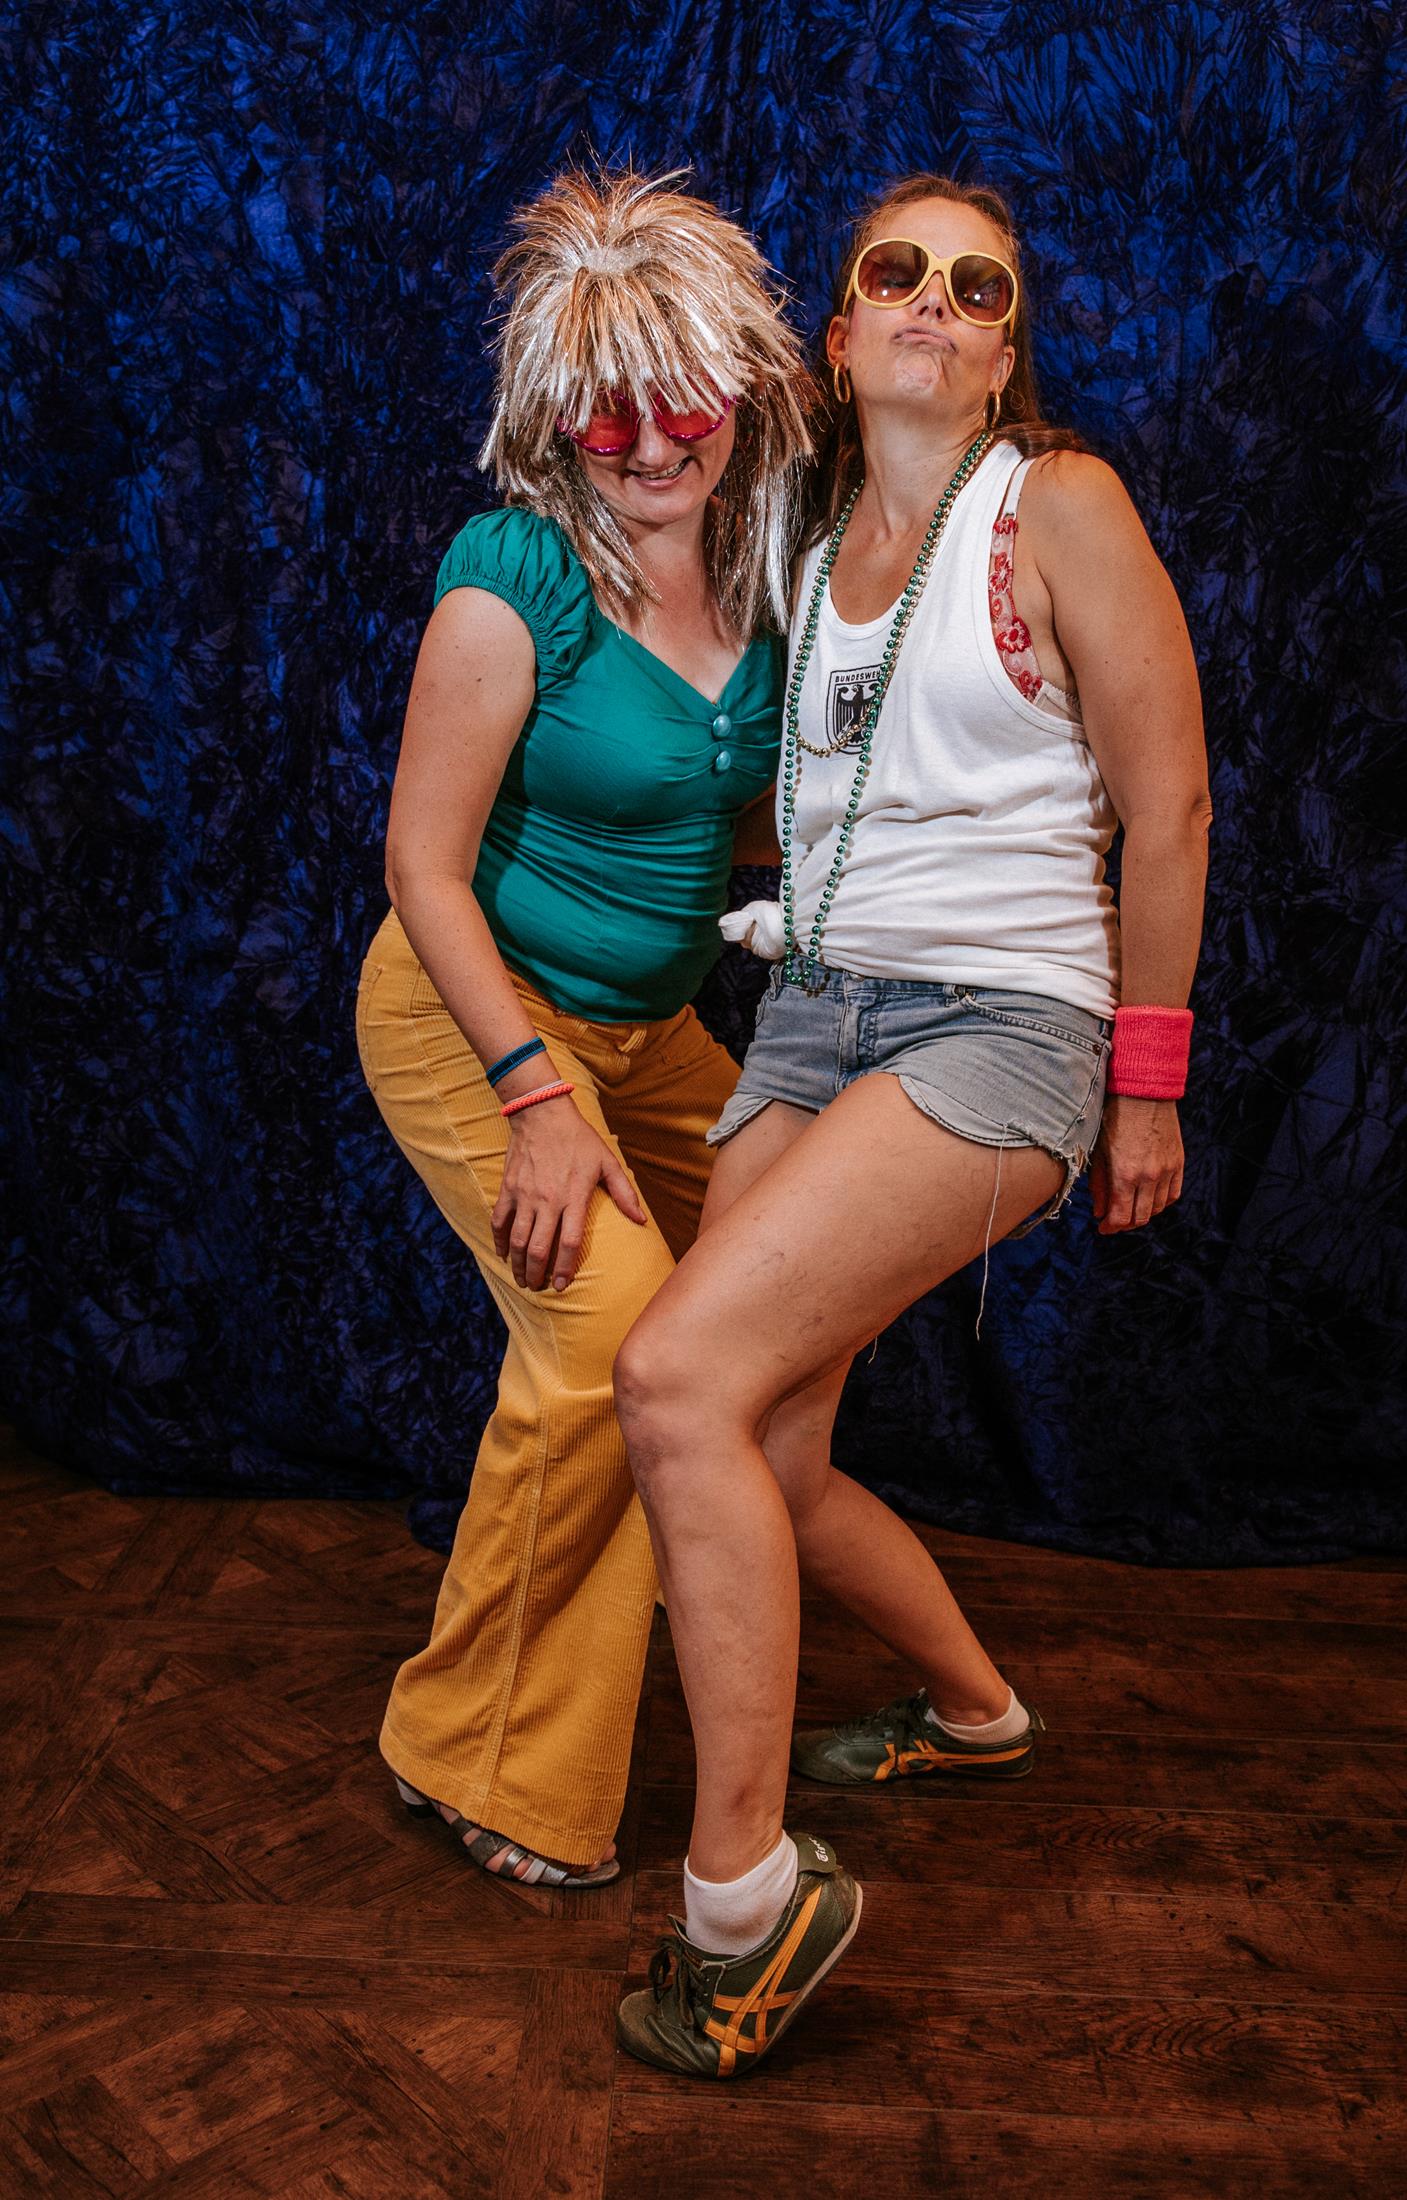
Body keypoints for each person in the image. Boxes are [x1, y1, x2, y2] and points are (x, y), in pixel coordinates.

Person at [612, 172, 1211, 2074]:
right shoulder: (811, 552)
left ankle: (744, 1901)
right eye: (900, 272)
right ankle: (976, 1714)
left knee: (675, 1384)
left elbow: (1171, 803)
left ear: (1005, 351)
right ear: (845, 328)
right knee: (768, 1456)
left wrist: (1147, 1083)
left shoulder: (1057, 505)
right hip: (816, 1016)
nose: (937, 302)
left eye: (980, 286)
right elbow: (816, 800)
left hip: (1005, 1023)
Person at [355, 167, 811, 1890]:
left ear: (738, 389)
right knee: (614, 1337)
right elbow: (422, 865)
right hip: (476, 1015)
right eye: (608, 411)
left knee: (777, 1291)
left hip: (650, 1035)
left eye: (680, 399)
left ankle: (700, 1620)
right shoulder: (517, 575)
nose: (648, 443)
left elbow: (741, 822)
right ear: (559, 413)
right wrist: (537, 1098)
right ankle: (482, 1760)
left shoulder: (766, 567)